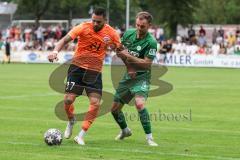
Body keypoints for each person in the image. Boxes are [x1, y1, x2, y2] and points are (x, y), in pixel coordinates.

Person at [48, 7, 121, 145]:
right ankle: (71, 120)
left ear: (105, 20)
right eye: (93, 20)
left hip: (94, 72)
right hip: (77, 69)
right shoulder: (83, 27)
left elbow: (119, 49)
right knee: (68, 100)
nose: (95, 24)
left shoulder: (112, 33)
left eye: (98, 22)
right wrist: (55, 52)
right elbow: (63, 40)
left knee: (95, 103)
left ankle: (81, 135)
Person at [111, 11, 158, 146]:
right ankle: (125, 130)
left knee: (139, 104)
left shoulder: (151, 42)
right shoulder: (128, 34)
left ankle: (149, 138)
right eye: (137, 25)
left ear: (149, 25)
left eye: (142, 26)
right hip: (128, 76)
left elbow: (146, 64)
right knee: (114, 109)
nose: (139, 28)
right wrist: (129, 66)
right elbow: (120, 51)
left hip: (142, 77)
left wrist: (128, 56)